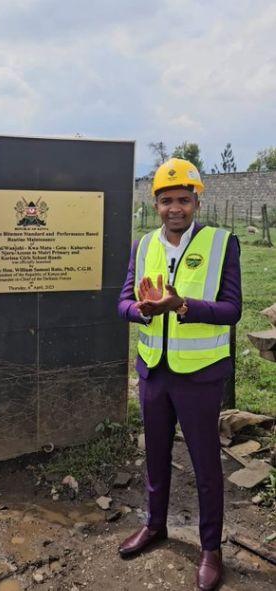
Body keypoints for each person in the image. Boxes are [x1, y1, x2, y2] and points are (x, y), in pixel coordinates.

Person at [117, 158, 241, 591]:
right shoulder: (143, 245)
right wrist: (140, 309)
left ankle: (211, 548)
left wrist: (182, 306)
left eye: (183, 200)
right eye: (167, 200)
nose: (175, 208)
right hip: (154, 372)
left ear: (196, 201)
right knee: (155, 457)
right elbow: (122, 301)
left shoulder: (222, 243)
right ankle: (155, 525)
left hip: (200, 376)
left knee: (206, 465)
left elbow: (231, 310)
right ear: (156, 204)